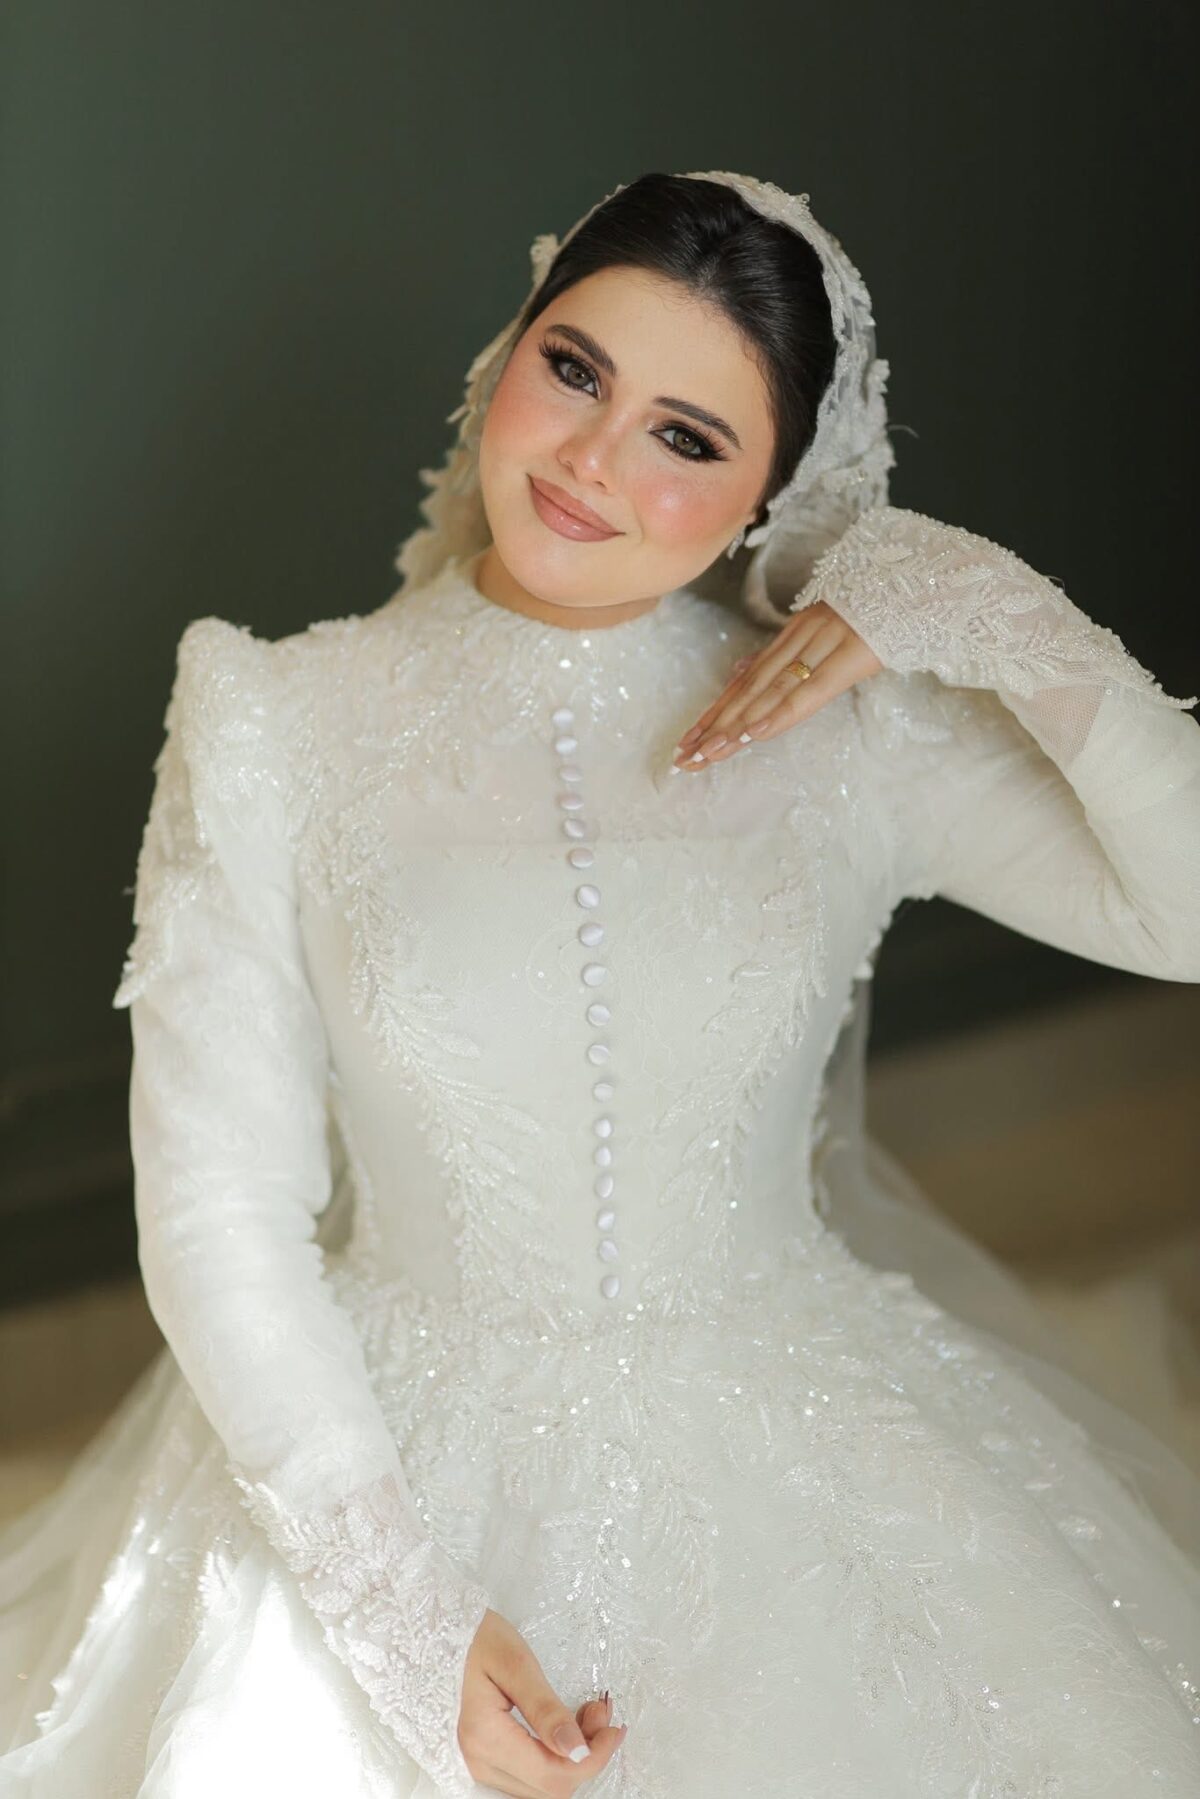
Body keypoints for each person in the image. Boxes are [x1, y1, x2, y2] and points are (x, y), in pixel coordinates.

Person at [1, 168, 1199, 1798]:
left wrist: (998, 618)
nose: (590, 460)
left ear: (772, 492)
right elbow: (219, 1211)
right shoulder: (271, 719)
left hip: (800, 1440)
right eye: (575, 371)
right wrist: (406, 1622)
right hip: (381, 1452)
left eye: (685, 439)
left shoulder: (849, 725)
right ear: (509, 352)